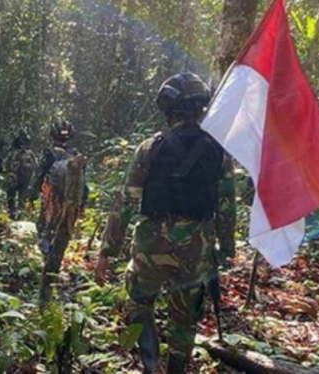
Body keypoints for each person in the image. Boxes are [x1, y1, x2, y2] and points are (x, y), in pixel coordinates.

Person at [94, 72, 236, 374]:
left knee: (139, 305)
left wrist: (107, 252)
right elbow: (226, 207)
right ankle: (175, 369)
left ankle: (150, 365)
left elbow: (126, 202)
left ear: (168, 108)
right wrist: (225, 250)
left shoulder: (149, 148)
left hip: (150, 246)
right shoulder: (219, 152)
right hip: (196, 249)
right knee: (185, 319)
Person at [32, 120, 88, 303]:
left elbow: (40, 174)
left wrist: (32, 193)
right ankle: (54, 266)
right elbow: (84, 184)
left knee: (45, 228)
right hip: (70, 201)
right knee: (63, 231)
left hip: (52, 198)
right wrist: (83, 203)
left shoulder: (49, 153)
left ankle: (48, 268)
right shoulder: (76, 155)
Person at [5, 129, 38, 219]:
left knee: (22, 197)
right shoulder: (14, 153)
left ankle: (20, 214)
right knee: (12, 196)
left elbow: (35, 167)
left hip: (24, 178)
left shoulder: (29, 154)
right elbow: (6, 165)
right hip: (15, 177)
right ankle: (12, 213)